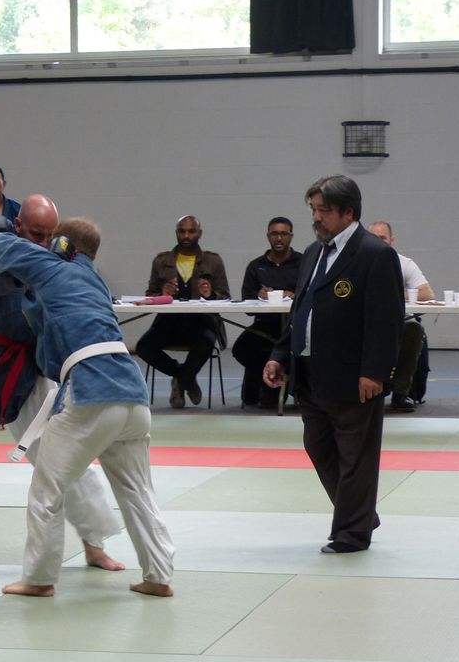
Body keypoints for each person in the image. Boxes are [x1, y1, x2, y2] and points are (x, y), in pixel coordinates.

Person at [0, 195, 123, 578]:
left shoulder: (58, 258)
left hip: (30, 369)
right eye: (35, 233)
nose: (42, 242)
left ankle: (94, 542)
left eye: (49, 235)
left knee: (68, 460)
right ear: (18, 224)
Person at [0, 218, 175, 598]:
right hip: (132, 391)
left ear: (60, 244)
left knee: (48, 488)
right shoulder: (95, 279)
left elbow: (1, 249)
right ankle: (158, 576)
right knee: (138, 490)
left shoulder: (55, 266)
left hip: (92, 391)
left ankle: (39, 579)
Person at [264, 175, 403, 554]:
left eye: (323, 210)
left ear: (348, 212)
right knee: (318, 445)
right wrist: (280, 355)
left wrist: (375, 372)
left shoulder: (374, 254)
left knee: (356, 455)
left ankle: (351, 533)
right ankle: (358, 511)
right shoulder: (313, 252)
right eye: (313, 209)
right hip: (309, 371)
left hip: (353, 374)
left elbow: (387, 321)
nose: (316, 217)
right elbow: (299, 311)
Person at [134, 215, 230, 408]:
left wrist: (210, 295)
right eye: (182, 231)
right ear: (176, 233)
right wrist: (162, 294)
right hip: (168, 322)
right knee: (143, 347)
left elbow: (226, 297)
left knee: (206, 341)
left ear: (200, 234)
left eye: (191, 231)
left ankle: (180, 381)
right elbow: (150, 295)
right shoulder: (161, 261)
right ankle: (185, 376)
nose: (186, 235)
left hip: (202, 321)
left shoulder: (213, 261)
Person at [231, 217, 303, 408]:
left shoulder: (303, 263)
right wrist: (258, 295)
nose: (279, 238)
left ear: (291, 236)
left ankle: (282, 387)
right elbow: (246, 303)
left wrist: (295, 295)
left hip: (294, 327)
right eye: (274, 234)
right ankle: (261, 378)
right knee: (241, 348)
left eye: (283, 234)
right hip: (263, 326)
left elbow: (312, 295)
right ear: (268, 236)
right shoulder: (256, 266)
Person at [368, 221, 433, 412]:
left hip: (399, 322)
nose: (378, 243)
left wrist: (395, 293)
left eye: (382, 238)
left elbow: (427, 294)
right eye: (373, 239)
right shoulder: (356, 263)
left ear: (391, 240)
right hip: (366, 323)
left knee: (414, 329)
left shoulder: (404, 263)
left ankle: (400, 392)